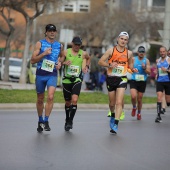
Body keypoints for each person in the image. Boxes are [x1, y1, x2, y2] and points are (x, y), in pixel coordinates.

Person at [98, 31, 136, 134]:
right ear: (118, 39)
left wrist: (133, 69)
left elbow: (130, 65)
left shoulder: (129, 53)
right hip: (111, 78)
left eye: (125, 40)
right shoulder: (111, 51)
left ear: (127, 41)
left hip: (122, 79)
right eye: (122, 39)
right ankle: (113, 114)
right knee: (112, 104)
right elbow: (100, 61)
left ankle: (116, 123)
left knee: (119, 102)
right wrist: (109, 65)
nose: (123, 41)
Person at [31, 24, 63, 132]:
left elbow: (62, 56)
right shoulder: (40, 43)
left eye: (54, 30)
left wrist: (60, 63)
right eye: (50, 30)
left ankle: (46, 120)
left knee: (50, 97)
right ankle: (40, 120)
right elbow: (32, 60)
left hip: (52, 74)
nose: (52, 32)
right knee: (40, 99)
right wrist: (44, 53)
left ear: (56, 32)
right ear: (46, 32)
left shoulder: (59, 45)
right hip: (40, 74)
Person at [59, 36, 90, 131]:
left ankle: (70, 121)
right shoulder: (66, 52)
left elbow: (88, 59)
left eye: (79, 45)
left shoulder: (84, 53)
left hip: (77, 80)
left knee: (75, 100)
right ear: (72, 43)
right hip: (66, 80)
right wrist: (64, 63)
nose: (77, 46)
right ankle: (67, 118)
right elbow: (59, 61)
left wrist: (86, 67)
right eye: (75, 44)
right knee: (68, 102)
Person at [130, 46, 151, 120]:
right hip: (134, 80)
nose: (141, 53)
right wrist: (133, 69)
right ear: (138, 52)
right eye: (140, 52)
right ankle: (134, 107)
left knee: (139, 99)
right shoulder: (133, 59)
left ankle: (139, 113)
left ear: (144, 53)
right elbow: (130, 68)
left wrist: (144, 68)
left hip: (142, 81)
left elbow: (149, 72)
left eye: (143, 52)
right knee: (133, 96)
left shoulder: (146, 61)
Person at [155, 46, 170, 123]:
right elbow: (158, 70)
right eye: (161, 52)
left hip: (168, 82)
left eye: (163, 51)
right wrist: (156, 73)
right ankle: (158, 116)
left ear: (166, 52)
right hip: (160, 81)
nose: (162, 53)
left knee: (168, 101)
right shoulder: (158, 60)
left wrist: (167, 70)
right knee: (159, 97)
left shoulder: (169, 60)